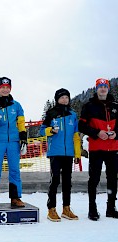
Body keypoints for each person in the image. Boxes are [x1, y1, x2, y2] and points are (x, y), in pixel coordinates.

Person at [0, 77, 27, 208]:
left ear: (10, 89)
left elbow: (20, 123)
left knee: (14, 169)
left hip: (13, 141)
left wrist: (23, 137)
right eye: (2, 87)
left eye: (7, 87)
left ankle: (15, 197)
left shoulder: (17, 105)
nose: (5, 89)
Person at [78, 78, 118, 221]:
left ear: (108, 89)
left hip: (113, 148)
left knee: (113, 179)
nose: (102, 89)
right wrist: (97, 133)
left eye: (105, 86)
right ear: (96, 89)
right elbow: (81, 126)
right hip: (96, 149)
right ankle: (92, 209)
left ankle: (111, 208)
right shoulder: (89, 106)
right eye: (100, 86)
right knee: (93, 179)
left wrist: (116, 133)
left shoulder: (115, 106)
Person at [40, 88, 81, 222]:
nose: (64, 99)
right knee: (55, 179)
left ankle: (66, 208)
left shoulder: (72, 114)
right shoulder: (51, 113)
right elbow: (41, 131)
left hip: (68, 153)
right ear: (57, 99)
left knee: (67, 182)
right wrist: (50, 130)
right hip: (55, 152)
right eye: (62, 97)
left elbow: (76, 135)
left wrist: (77, 153)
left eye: (66, 97)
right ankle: (51, 209)